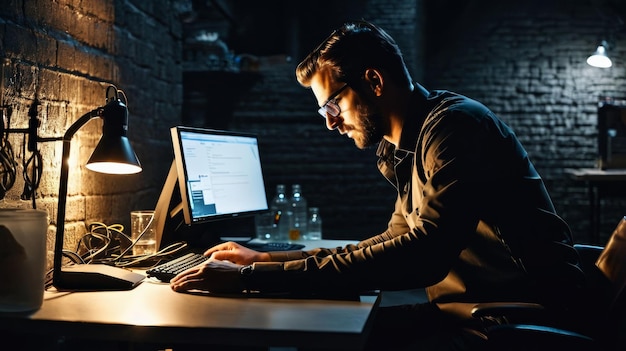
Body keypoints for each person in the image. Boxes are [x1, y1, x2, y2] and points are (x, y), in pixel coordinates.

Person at [170, 21, 585, 350]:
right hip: (471, 310)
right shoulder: (406, 144)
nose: (330, 121)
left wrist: (250, 281)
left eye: (332, 104)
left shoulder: (456, 128)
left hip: (519, 318)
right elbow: (394, 240)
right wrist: (262, 262)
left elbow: (424, 255)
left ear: (374, 81)